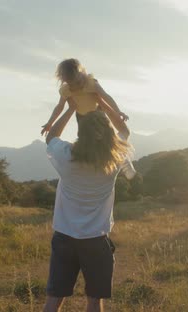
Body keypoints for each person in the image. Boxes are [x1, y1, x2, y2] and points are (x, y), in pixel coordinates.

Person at [42, 97, 136, 312]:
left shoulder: (66, 156)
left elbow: (51, 137)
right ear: (107, 132)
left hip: (64, 237)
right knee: (94, 300)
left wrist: (71, 108)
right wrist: (104, 103)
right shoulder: (114, 158)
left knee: (54, 299)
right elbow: (124, 131)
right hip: (95, 239)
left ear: (80, 133)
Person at [41, 58, 129, 136]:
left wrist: (118, 111)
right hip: (81, 116)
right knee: (84, 136)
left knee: (103, 133)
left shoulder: (91, 84)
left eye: (77, 81)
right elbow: (60, 106)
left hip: (97, 112)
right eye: (71, 83)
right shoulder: (66, 90)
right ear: (64, 80)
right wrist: (50, 122)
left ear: (80, 73)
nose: (76, 86)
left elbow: (106, 97)